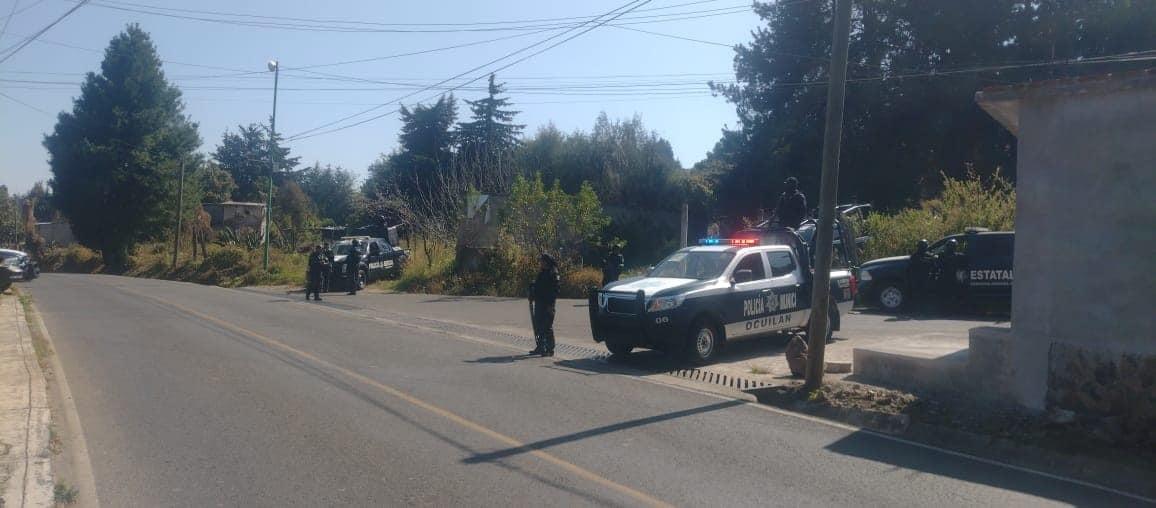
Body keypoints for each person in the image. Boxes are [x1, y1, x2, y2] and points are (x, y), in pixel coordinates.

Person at [528, 253, 560, 357]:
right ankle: (540, 347)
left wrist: (551, 305)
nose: (540, 262)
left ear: (546, 262)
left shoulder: (553, 273)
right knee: (539, 325)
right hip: (539, 303)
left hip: (548, 304)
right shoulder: (542, 272)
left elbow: (555, 290)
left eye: (542, 261)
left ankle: (550, 349)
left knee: (547, 326)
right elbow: (538, 286)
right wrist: (532, 290)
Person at [907, 239, 933, 311]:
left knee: (924, 295)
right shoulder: (915, 256)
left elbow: (933, 264)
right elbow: (912, 267)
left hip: (924, 278)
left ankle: (922, 310)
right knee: (917, 294)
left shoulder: (928, 255)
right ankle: (917, 310)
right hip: (917, 278)